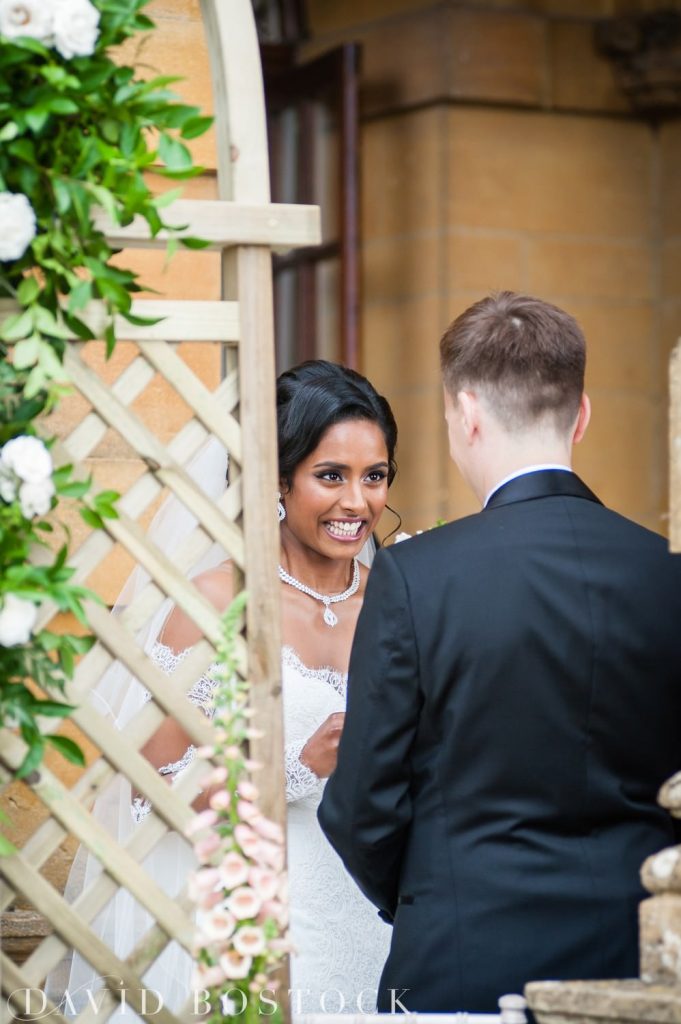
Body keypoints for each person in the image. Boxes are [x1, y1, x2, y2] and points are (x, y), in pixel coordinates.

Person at [318, 291, 681, 1014]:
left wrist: (436, 898)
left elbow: (363, 804)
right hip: (635, 965)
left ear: (466, 414)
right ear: (580, 415)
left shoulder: (416, 576)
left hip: (462, 958)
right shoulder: (666, 572)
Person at [53, 360, 397, 1017]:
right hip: (247, 910)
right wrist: (297, 768)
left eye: (373, 476)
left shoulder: (396, 602)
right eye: (331, 475)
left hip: (367, 907)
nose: (357, 502)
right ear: (277, 476)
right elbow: (153, 779)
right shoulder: (217, 600)